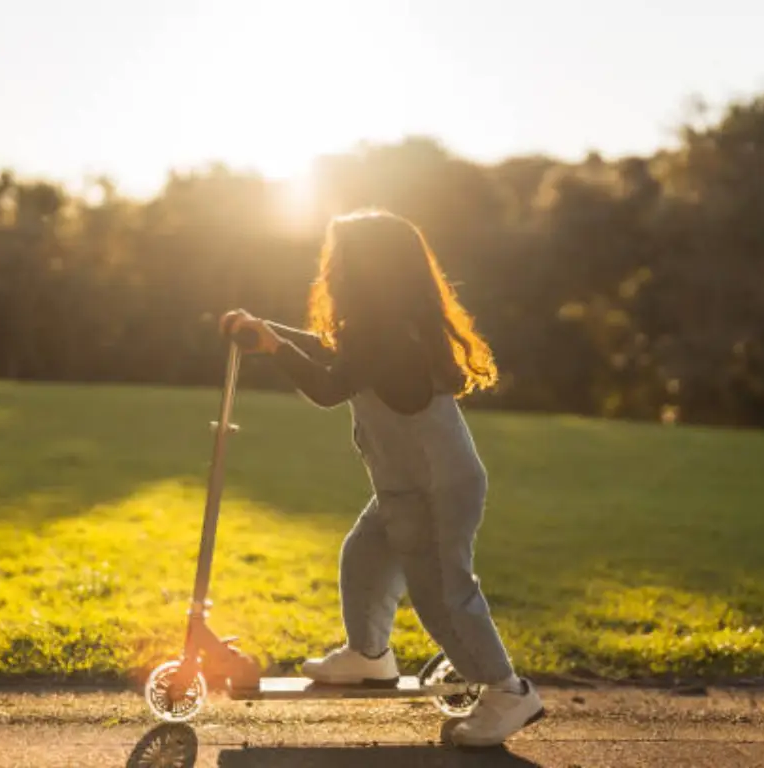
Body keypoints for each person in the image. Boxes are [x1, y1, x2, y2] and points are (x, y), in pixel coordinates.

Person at [220, 208, 544, 747]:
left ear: (370, 270)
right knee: (363, 558)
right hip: (405, 489)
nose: (332, 270)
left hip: (438, 490)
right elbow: (336, 359)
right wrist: (267, 329)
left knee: (444, 595)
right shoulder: (377, 332)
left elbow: (329, 386)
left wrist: (275, 349)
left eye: (341, 259)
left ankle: (509, 691)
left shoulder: (391, 337)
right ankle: (369, 656)